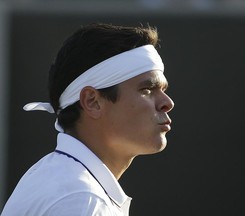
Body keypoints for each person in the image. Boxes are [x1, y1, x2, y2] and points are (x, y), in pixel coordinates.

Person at [1, 22, 174, 216]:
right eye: (147, 90)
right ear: (92, 101)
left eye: (163, 90)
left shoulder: (67, 183)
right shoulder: (82, 199)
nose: (167, 103)